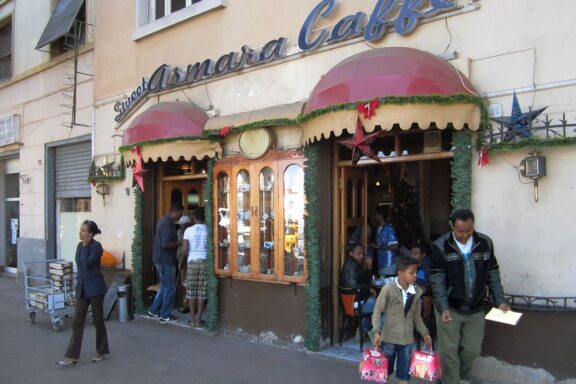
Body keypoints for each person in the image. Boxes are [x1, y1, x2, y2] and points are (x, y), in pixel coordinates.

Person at [429, 209, 510, 384]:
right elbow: (437, 280)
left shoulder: (485, 243)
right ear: (452, 227)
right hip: (450, 307)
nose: (464, 235)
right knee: (449, 352)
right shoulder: (439, 246)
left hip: (475, 308)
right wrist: (443, 306)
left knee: (472, 350)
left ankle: (461, 374)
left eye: (468, 231)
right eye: (460, 231)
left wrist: (500, 301)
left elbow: (493, 273)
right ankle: (452, 380)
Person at [371, 256, 432, 384]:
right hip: (389, 339)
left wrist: (425, 333)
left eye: (416, 272)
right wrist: (377, 330)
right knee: (382, 374)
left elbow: (417, 317)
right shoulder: (388, 289)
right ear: (400, 273)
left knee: (404, 377)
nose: (415, 276)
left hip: (407, 340)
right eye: (412, 273)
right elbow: (377, 310)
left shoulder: (416, 292)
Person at [58, 220, 109, 366]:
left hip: (95, 289)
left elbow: (86, 264)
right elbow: (78, 263)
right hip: (82, 289)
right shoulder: (79, 245)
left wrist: (86, 247)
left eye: (85, 231)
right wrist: (84, 247)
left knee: (98, 321)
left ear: (91, 233)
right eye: (81, 230)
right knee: (77, 322)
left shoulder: (96, 247)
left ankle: (101, 350)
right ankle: (72, 356)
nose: (82, 233)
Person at [148, 202, 184, 323]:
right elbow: (165, 243)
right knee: (170, 288)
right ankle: (165, 315)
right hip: (166, 260)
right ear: (176, 212)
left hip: (160, 258)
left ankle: (153, 311)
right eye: (181, 213)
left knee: (164, 287)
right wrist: (179, 243)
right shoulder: (168, 223)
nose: (181, 216)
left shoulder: (163, 220)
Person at [182, 206, 207, 327]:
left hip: (192, 262)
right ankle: (198, 319)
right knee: (201, 293)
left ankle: (192, 321)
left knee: (191, 292)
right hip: (204, 262)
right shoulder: (209, 230)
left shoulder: (188, 230)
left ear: (194, 217)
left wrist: (189, 255)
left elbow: (184, 249)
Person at [340, 243, 376, 314]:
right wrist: (369, 289)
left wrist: (369, 265)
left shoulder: (351, 263)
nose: (362, 256)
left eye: (362, 253)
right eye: (358, 253)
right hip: (357, 303)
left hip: (351, 302)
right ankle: (367, 323)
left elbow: (365, 280)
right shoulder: (353, 265)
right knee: (385, 303)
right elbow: (354, 286)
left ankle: (366, 322)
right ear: (351, 254)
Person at [371, 207, 399, 278]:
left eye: (375, 214)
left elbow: (395, 246)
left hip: (388, 263)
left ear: (380, 215)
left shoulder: (389, 229)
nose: (374, 216)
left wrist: (379, 247)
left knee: (388, 284)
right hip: (380, 262)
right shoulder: (378, 228)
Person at [176, 215, 192, 312]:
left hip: (189, 260)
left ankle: (188, 305)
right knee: (183, 283)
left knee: (189, 284)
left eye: (183, 224)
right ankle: (184, 304)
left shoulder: (190, 232)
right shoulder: (179, 232)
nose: (181, 226)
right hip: (181, 260)